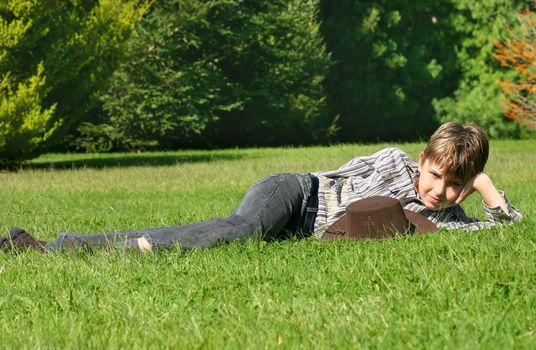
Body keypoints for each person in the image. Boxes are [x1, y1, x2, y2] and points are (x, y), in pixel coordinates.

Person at [0, 122, 522, 253]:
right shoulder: (392, 161)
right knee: (240, 229)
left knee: (224, 232)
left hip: (295, 229)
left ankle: (58, 246)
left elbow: (504, 231)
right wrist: (433, 199)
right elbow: (362, 203)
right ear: (424, 159)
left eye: (455, 187)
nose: (438, 192)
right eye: (435, 175)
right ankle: (118, 248)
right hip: (292, 194)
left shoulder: (449, 216)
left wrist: (485, 187)